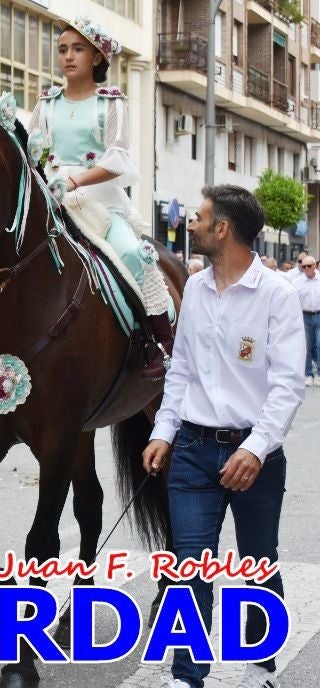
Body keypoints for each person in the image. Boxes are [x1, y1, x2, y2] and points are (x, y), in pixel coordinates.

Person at [143, 185, 304, 688]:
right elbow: (182, 369)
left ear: (223, 229)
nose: (190, 226)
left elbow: (287, 384)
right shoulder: (193, 288)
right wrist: (163, 432)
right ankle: (187, 674)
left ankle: (261, 663)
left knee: (259, 565)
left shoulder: (276, 294)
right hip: (191, 449)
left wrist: (255, 449)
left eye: (199, 218)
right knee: (187, 566)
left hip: (255, 453)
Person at [27, 16, 174, 379]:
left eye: (78, 49)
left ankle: (158, 342)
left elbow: (118, 158)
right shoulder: (46, 103)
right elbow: (31, 151)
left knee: (129, 253)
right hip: (51, 199)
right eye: (62, 49)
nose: (68, 56)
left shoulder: (111, 102)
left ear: (96, 57)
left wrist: (74, 181)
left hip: (100, 201)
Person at [296, 255, 320, 386]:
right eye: (303, 266)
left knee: (319, 344)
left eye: (309, 266)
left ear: (315, 266)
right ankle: (308, 374)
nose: (306, 268)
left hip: (319, 315)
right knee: (306, 347)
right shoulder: (298, 282)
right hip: (304, 316)